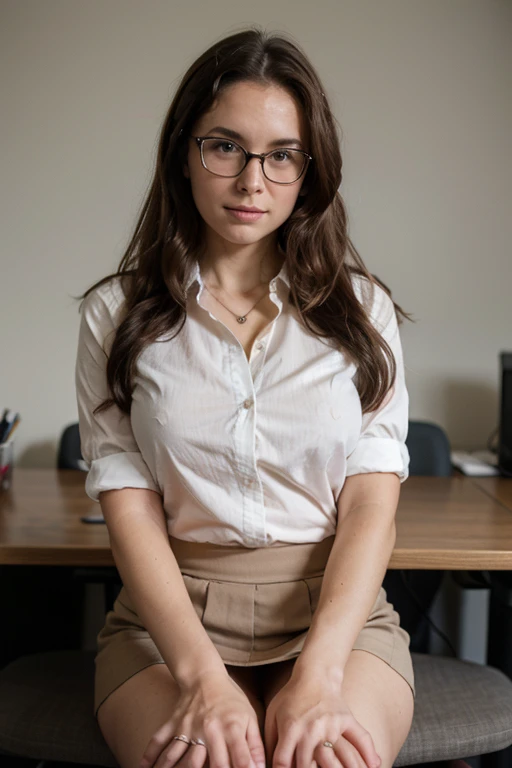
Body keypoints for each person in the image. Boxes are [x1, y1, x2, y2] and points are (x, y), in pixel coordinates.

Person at [75, 26, 415, 768]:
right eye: (225, 147)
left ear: (309, 169)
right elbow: (127, 508)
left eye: (281, 155)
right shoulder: (115, 314)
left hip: (337, 620)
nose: (251, 181)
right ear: (184, 153)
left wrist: (320, 673)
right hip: (170, 625)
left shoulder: (362, 310)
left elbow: (369, 506)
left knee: (326, 762)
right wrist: (201, 677)